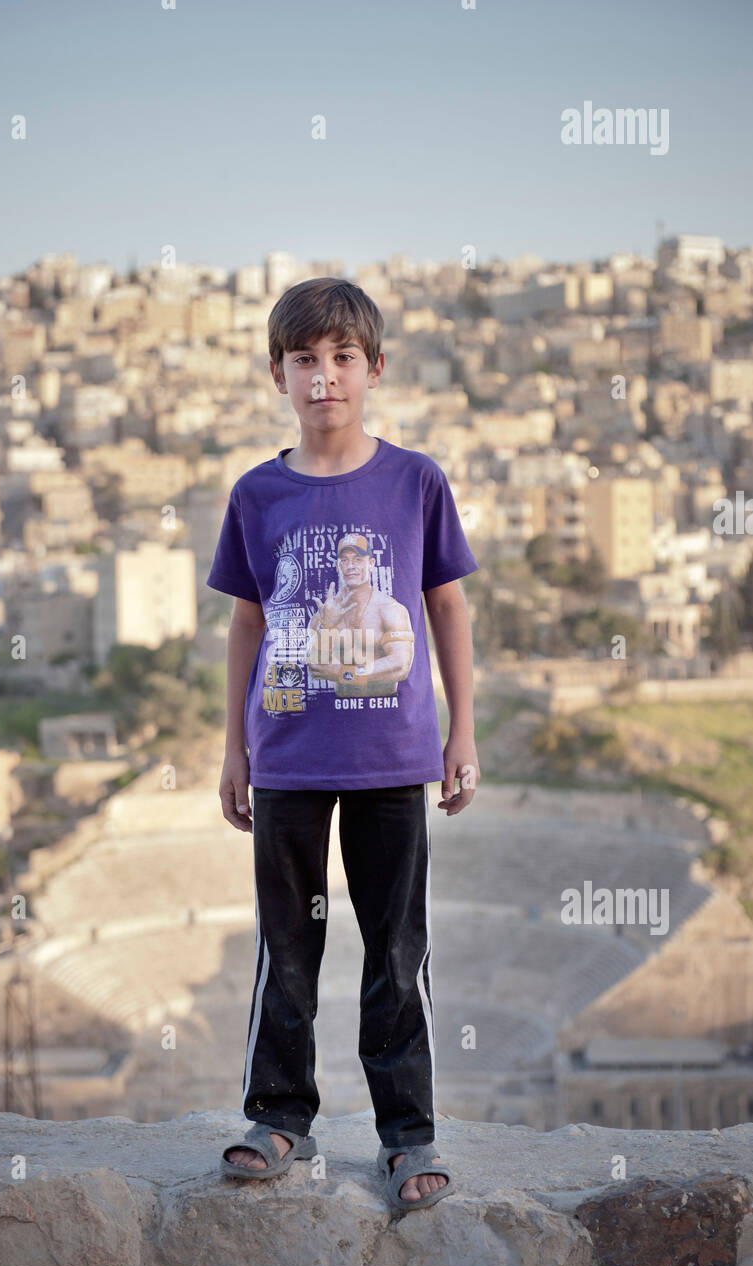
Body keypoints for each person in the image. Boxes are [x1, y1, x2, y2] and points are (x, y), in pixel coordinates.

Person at [205, 277, 479, 1211]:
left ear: (374, 369)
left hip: (392, 759)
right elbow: (246, 623)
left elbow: (446, 606)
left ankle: (408, 1136)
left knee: (396, 950)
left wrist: (462, 736)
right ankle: (279, 1116)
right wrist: (235, 749)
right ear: (276, 372)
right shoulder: (258, 492)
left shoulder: (414, 481)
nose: (324, 377)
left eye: (342, 359)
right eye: (305, 360)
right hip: (285, 757)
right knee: (288, 947)